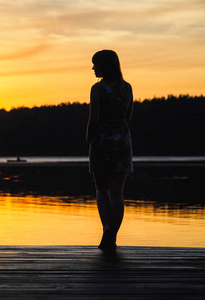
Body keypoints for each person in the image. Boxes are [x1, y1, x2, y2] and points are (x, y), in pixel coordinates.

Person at [86, 50, 134, 251]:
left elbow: (94, 117)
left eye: (95, 64)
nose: (93, 68)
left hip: (102, 141)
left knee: (101, 189)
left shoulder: (98, 89)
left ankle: (106, 227)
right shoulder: (127, 88)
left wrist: (89, 137)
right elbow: (128, 117)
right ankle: (113, 235)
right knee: (117, 193)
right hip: (122, 141)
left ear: (105, 66)